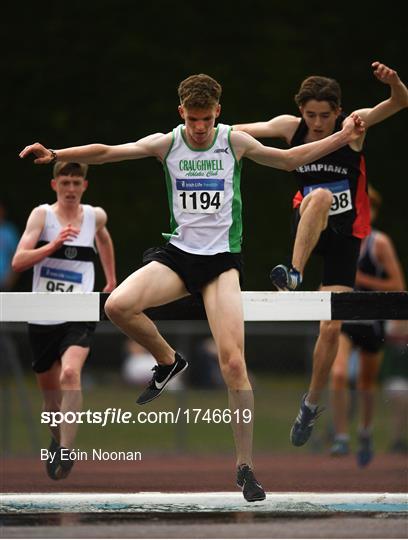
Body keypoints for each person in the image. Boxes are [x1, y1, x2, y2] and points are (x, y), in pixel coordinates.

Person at [19, 73, 364, 501]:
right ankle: (168, 360)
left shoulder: (233, 142)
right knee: (118, 305)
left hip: (221, 263)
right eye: (193, 119)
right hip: (179, 257)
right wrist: (56, 152)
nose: (200, 128)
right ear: (181, 113)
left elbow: (292, 160)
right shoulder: (168, 143)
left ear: (218, 112)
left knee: (233, 364)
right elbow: (108, 152)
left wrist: (342, 136)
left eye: (206, 119)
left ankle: (245, 467)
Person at [234, 61, 408, 448]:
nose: (316, 124)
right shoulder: (288, 128)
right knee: (321, 197)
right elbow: (236, 133)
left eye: (324, 117)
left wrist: (394, 83)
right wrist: (204, 129)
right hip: (308, 225)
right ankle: (294, 273)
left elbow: (399, 103)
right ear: (301, 112)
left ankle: (310, 405)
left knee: (330, 328)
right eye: (310, 115)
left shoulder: (354, 126)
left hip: (346, 237)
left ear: (339, 112)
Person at [12, 162, 117, 480]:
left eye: (76, 182)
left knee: (71, 373)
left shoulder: (94, 215)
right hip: (43, 315)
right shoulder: (41, 216)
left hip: (78, 312)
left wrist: (111, 280)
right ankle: (57, 441)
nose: (70, 189)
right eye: (65, 182)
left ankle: (68, 450)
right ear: (54, 184)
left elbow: (104, 238)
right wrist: (55, 245)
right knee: (51, 403)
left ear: (84, 186)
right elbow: (18, 262)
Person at [329, 185, 406, 467]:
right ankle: (340, 436)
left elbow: (398, 286)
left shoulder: (379, 244)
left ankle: (365, 431)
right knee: (337, 374)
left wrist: (361, 278)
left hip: (372, 322)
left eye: (369, 207)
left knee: (365, 383)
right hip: (346, 320)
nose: (364, 212)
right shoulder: (341, 240)